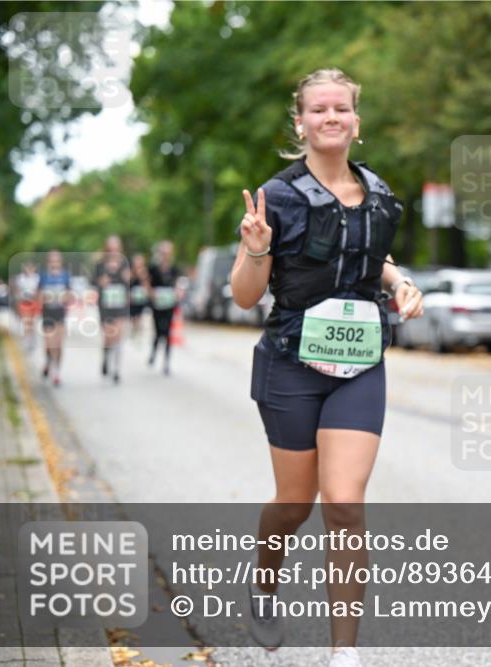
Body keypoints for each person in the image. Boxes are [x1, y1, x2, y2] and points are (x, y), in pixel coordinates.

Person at [230, 68, 423, 666]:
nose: (331, 117)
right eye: (319, 109)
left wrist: (401, 281)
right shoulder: (277, 197)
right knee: (295, 505)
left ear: (355, 121)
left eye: (341, 108)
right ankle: (264, 584)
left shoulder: (381, 194)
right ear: (301, 122)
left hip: (360, 363)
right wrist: (257, 245)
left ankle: (345, 655)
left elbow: (370, 253)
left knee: (343, 501)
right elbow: (243, 295)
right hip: (291, 363)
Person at [94, 235, 131, 384]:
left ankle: (116, 370)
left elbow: (129, 282)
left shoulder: (125, 264)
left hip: (120, 304)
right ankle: (105, 357)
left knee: (119, 337)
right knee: (109, 337)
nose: (114, 251)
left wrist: (126, 277)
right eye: (111, 248)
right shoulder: (100, 265)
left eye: (116, 248)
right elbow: (96, 283)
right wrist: (105, 278)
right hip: (106, 305)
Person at [147, 240, 182, 375]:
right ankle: (153, 353)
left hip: (169, 303)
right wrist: (151, 294)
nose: (166, 255)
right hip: (157, 304)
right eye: (163, 252)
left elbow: (178, 283)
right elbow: (147, 283)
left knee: (167, 332)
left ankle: (166, 362)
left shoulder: (174, 268)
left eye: (168, 252)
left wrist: (178, 292)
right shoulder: (153, 268)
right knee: (158, 331)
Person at [38, 250, 72, 387]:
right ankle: (49, 364)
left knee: (58, 345)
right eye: (52, 261)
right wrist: (45, 298)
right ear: (48, 262)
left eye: (56, 261)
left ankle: (56, 372)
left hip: (60, 313)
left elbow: (70, 296)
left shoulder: (65, 276)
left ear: (60, 262)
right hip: (47, 314)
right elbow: (38, 296)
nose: (54, 264)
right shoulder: (43, 276)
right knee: (49, 343)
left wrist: (64, 298)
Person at [13, 261, 41, 352]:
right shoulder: (20, 279)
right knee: (26, 321)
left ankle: (32, 338)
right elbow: (17, 292)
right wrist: (17, 305)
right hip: (24, 302)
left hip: (34, 302)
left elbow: (38, 292)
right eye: (27, 267)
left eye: (31, 267)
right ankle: (27, 340)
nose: (29, 270)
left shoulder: (37, 278)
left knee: (32, 322)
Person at [128, 253, 151, 342]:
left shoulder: (144, 272)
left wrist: (142, 277)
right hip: (132, 297)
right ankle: (134, 327)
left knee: (138, 315)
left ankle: (136, 329)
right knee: (132, 314)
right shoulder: (130, 272)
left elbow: (146, 285)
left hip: (140, 298)